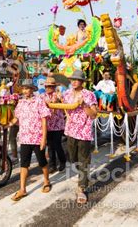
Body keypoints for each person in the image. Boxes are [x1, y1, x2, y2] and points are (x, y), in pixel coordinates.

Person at [11, 81, 51, 201]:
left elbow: (44, 120)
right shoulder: (21, 103)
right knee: (24, 164)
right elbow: (16, 118)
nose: (25, 91)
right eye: (23, 89)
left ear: (32, 90)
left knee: (42, 162)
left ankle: (47, 181)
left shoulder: (39, 101)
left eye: (27, 89)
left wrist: (44, 138)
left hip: (37, 137)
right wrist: (6, 125)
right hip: (24, 138)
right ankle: (22, 189)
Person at [63, 70, 97, 204]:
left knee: (84, 161)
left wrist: (83, 105)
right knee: (72, 158)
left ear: (82, 82)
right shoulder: (67, 94)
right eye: (72, 79)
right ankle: (82, 173)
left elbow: (94, 114)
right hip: (70, 131)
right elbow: (63, 106)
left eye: (76, 80)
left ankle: (81, 188)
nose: (73, 82)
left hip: (84, 132)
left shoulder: (89, 95)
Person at [41, 76, 66, 174]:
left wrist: (58, 100)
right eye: (47, 86)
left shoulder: (59, 95)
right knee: (50, 146)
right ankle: (52, 165)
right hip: (47, 125)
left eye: (50, 86)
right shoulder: (42, 96)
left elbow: (63, 103)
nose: (48, 88)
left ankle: (63, 161)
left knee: (57, 144)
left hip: (58, 124)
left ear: (54, 87)